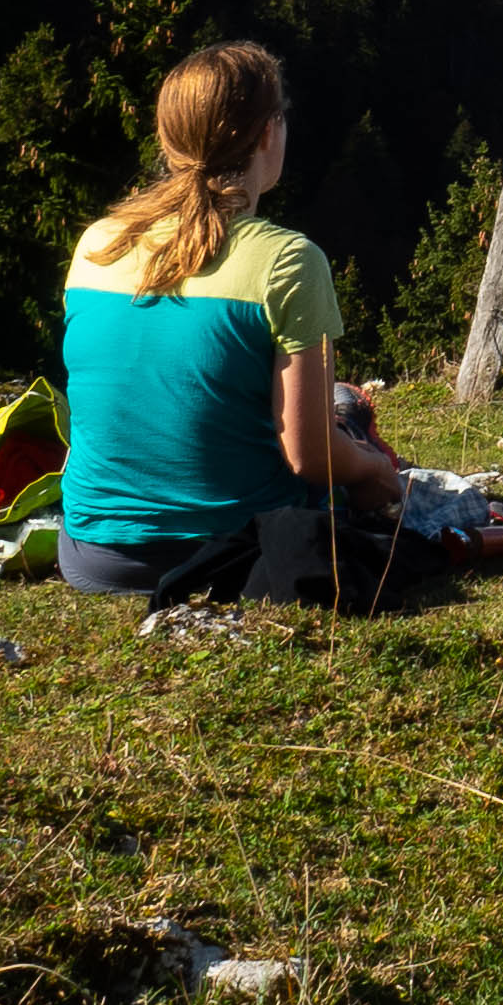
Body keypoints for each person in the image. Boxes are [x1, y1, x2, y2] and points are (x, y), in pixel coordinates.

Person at [59, 40, 403, 603]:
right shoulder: (289, 260)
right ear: (268, 132)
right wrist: (370, 474)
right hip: (238, 549)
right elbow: (309, 455)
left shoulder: (98, 244)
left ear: (168, 141)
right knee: (349, 428)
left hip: (97, 555)